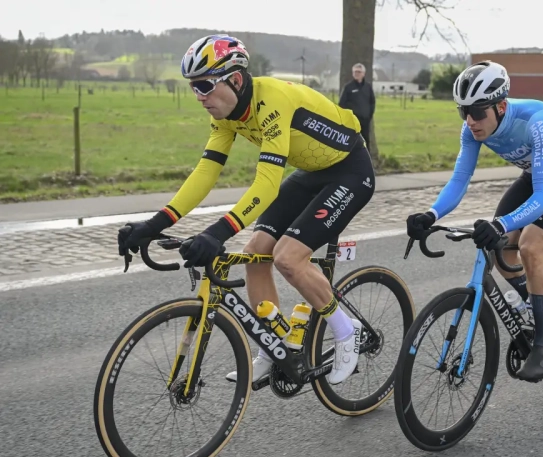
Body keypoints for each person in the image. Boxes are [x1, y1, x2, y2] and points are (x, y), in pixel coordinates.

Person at [117, 34, 375, 385]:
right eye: (193, 88)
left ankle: (348, 332)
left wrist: (217, 232)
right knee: (255, 252)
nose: (200, 97)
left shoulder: (273, 101)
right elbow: (206, 172)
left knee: (287, 257)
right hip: (312, 173)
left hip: (350, 171)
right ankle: (272, 347)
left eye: (205, 85)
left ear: (235, 79)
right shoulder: (224, 113)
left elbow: (266, 184)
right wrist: (154, 223)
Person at [405, 61, 543, 381]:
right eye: (463, 111)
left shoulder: (536, 121)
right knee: (500, 248)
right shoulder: (472, 129)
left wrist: (502, 223)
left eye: (478, 112)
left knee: (531, 247)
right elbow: (460, 179)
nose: (470, 120)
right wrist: (431, 214)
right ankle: (535, 299)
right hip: (536, 173)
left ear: (501, 105)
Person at [338, 63, 376, 150]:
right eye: (355, 72)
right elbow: (342, 104)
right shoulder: (348, 87)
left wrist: (369, 116)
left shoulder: (368, 87)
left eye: (359, 72)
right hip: (353, 121)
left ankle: (366, 161)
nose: (357, 74)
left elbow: (372, 102)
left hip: (365, 121)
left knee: (365, 141)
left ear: (363, 73)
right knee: (352, 141)